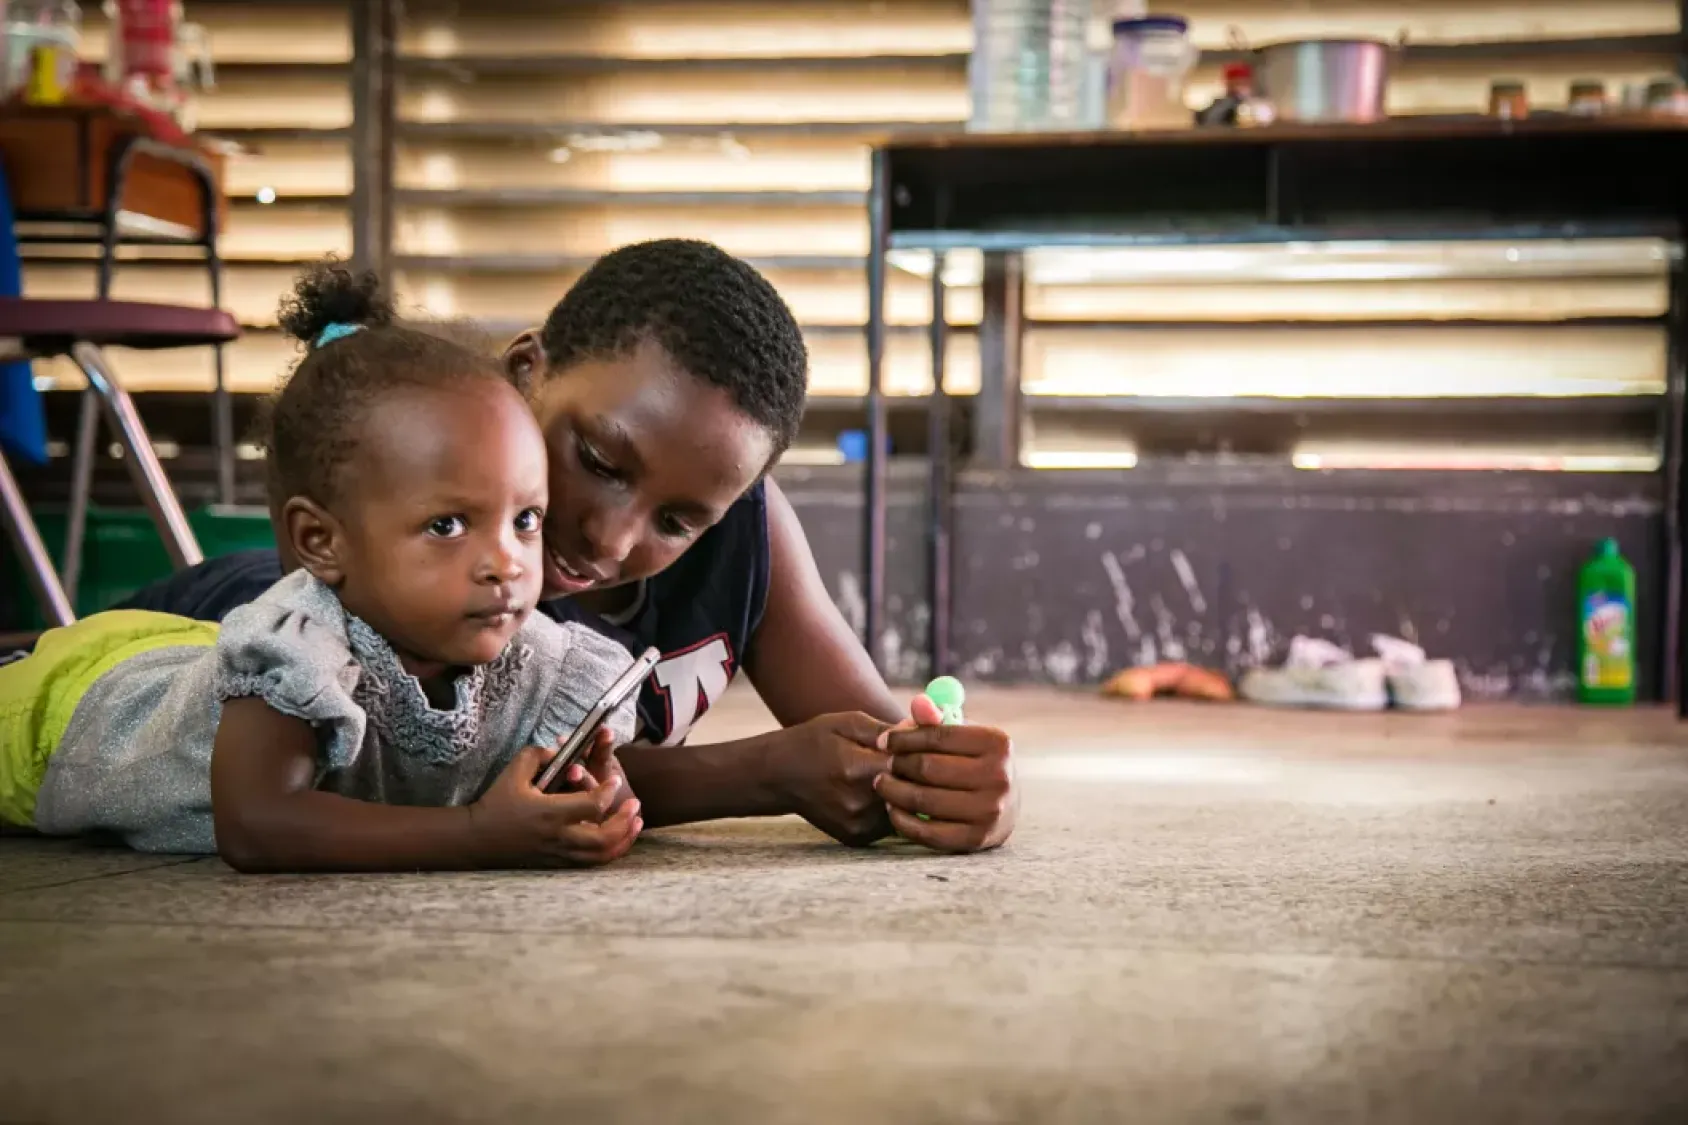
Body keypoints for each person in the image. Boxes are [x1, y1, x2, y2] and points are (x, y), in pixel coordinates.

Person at [116, 240, 1018, 858]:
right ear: (525, 371)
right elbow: (423, 778)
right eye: (596, 460)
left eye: (680, 519)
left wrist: (958, 788)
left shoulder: (744, 530)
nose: (610, 536)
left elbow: (883, 747)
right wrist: (761, 769)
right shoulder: (382, 587)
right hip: (173, 636)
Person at [1, 265, 645, 872]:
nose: (506, 561)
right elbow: (257, 823)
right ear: (321, 541)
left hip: (178, 652)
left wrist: (590, 792)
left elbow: (567, 771)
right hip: (52, 723)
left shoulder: (519, 647)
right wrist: (480, 832)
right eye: (447, 525)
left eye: (526, 520)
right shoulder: (294, 650)